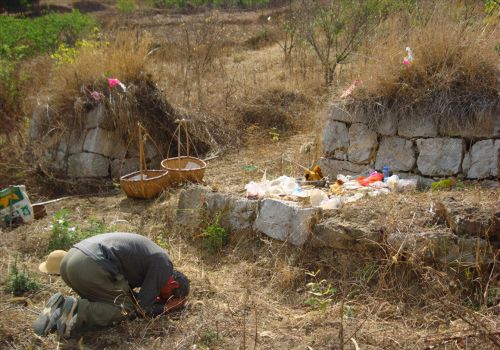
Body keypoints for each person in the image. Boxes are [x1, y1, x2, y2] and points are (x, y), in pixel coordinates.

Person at [33, 232, 189, 338]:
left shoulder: (154, 256)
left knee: (113, 301)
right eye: (164, 296)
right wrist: (166, 307)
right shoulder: (164, 265)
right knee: (126, 309)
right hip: (90, 265)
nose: (159, 298)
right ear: (173, 283)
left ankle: (59, 311)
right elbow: (141, 309)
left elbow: (130, 294)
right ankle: (76, 309)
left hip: (70, 260)